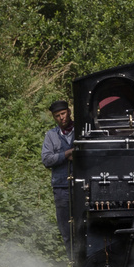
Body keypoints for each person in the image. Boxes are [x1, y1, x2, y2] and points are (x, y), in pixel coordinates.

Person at [42, 98, 76, 248]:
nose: (61, 118)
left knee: (84, 226)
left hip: (82, 186)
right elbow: (47, 159)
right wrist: (66, 154)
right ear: (54, 118)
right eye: (57, 116)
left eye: (63, 113)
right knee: (66, 231)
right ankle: (72, 264)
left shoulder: (82, 130)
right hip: (61, 188)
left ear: (69, 112)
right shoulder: (51, 135)